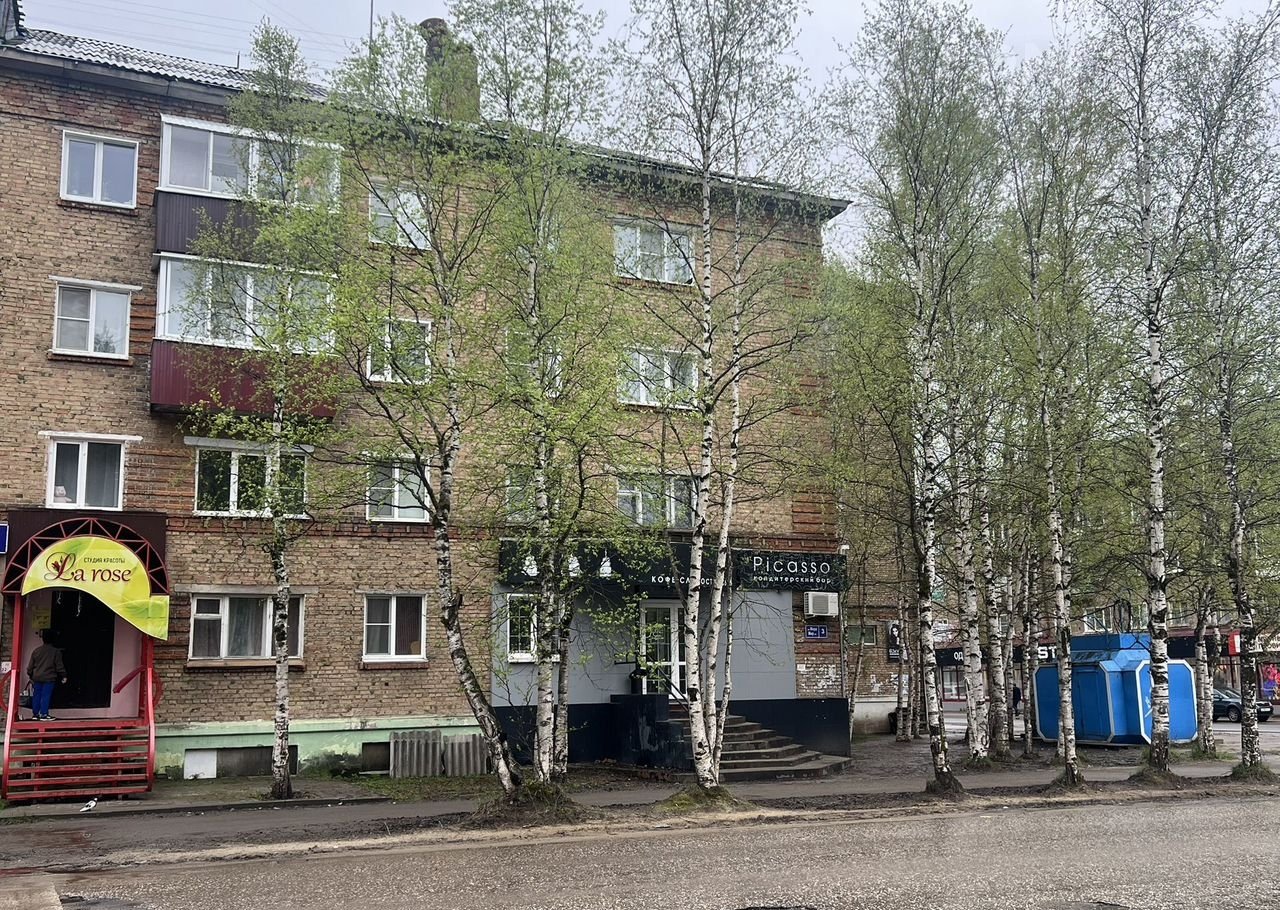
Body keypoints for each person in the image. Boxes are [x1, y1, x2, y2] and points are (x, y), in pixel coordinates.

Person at [27, 629, 67, 721]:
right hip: (49, 677)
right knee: (46, 695)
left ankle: (35, 714)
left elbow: (30, 667)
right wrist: (64, 675)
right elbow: (59, 666)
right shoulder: (55, 652)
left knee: (37, 695)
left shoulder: (36, 651)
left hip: (37, 677)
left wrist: (30, 675)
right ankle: (44, 714)